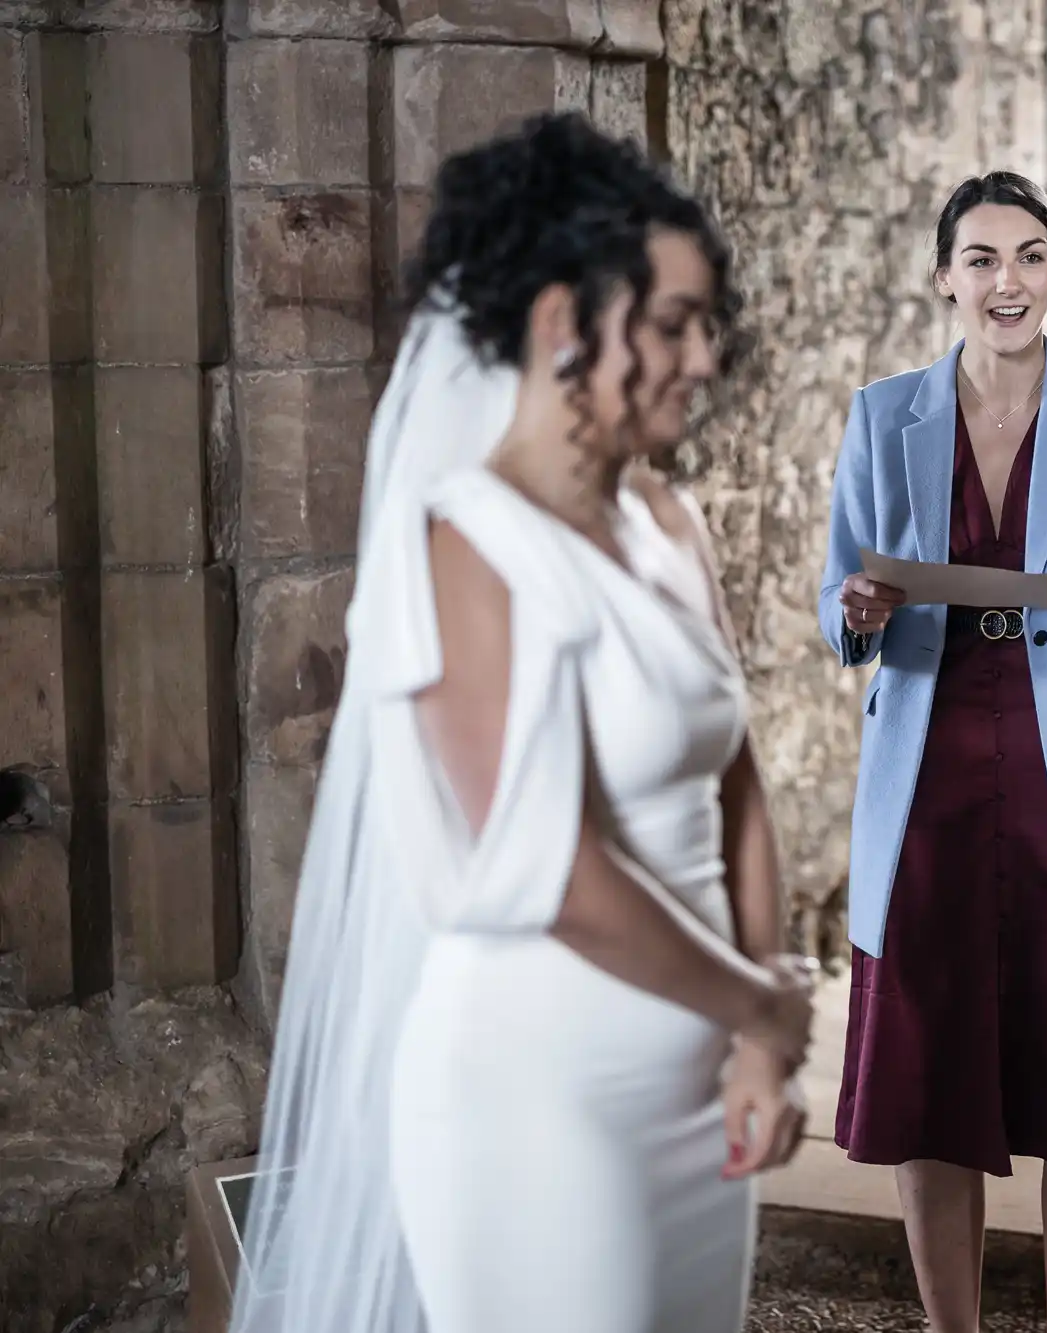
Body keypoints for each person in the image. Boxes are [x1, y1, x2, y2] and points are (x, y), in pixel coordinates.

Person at [229, 113, 818, 1333]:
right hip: (538, 1102)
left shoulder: (667, 520)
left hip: (702, 1087)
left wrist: (760, 1039)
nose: (702, 359)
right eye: (668, 324)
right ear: (562, 320)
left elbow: (739, 783)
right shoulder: (469, 543)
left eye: (706, 324)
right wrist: (755, 1004)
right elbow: (551, 868)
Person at [817, 171, 1047, 1333]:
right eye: (980, 258)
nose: (1006, 281)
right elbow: (833, 600)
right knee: (930, 1079)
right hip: (927, 789)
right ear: (943, 278)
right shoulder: (884, 414)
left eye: (1030, 256)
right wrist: (858, 611)